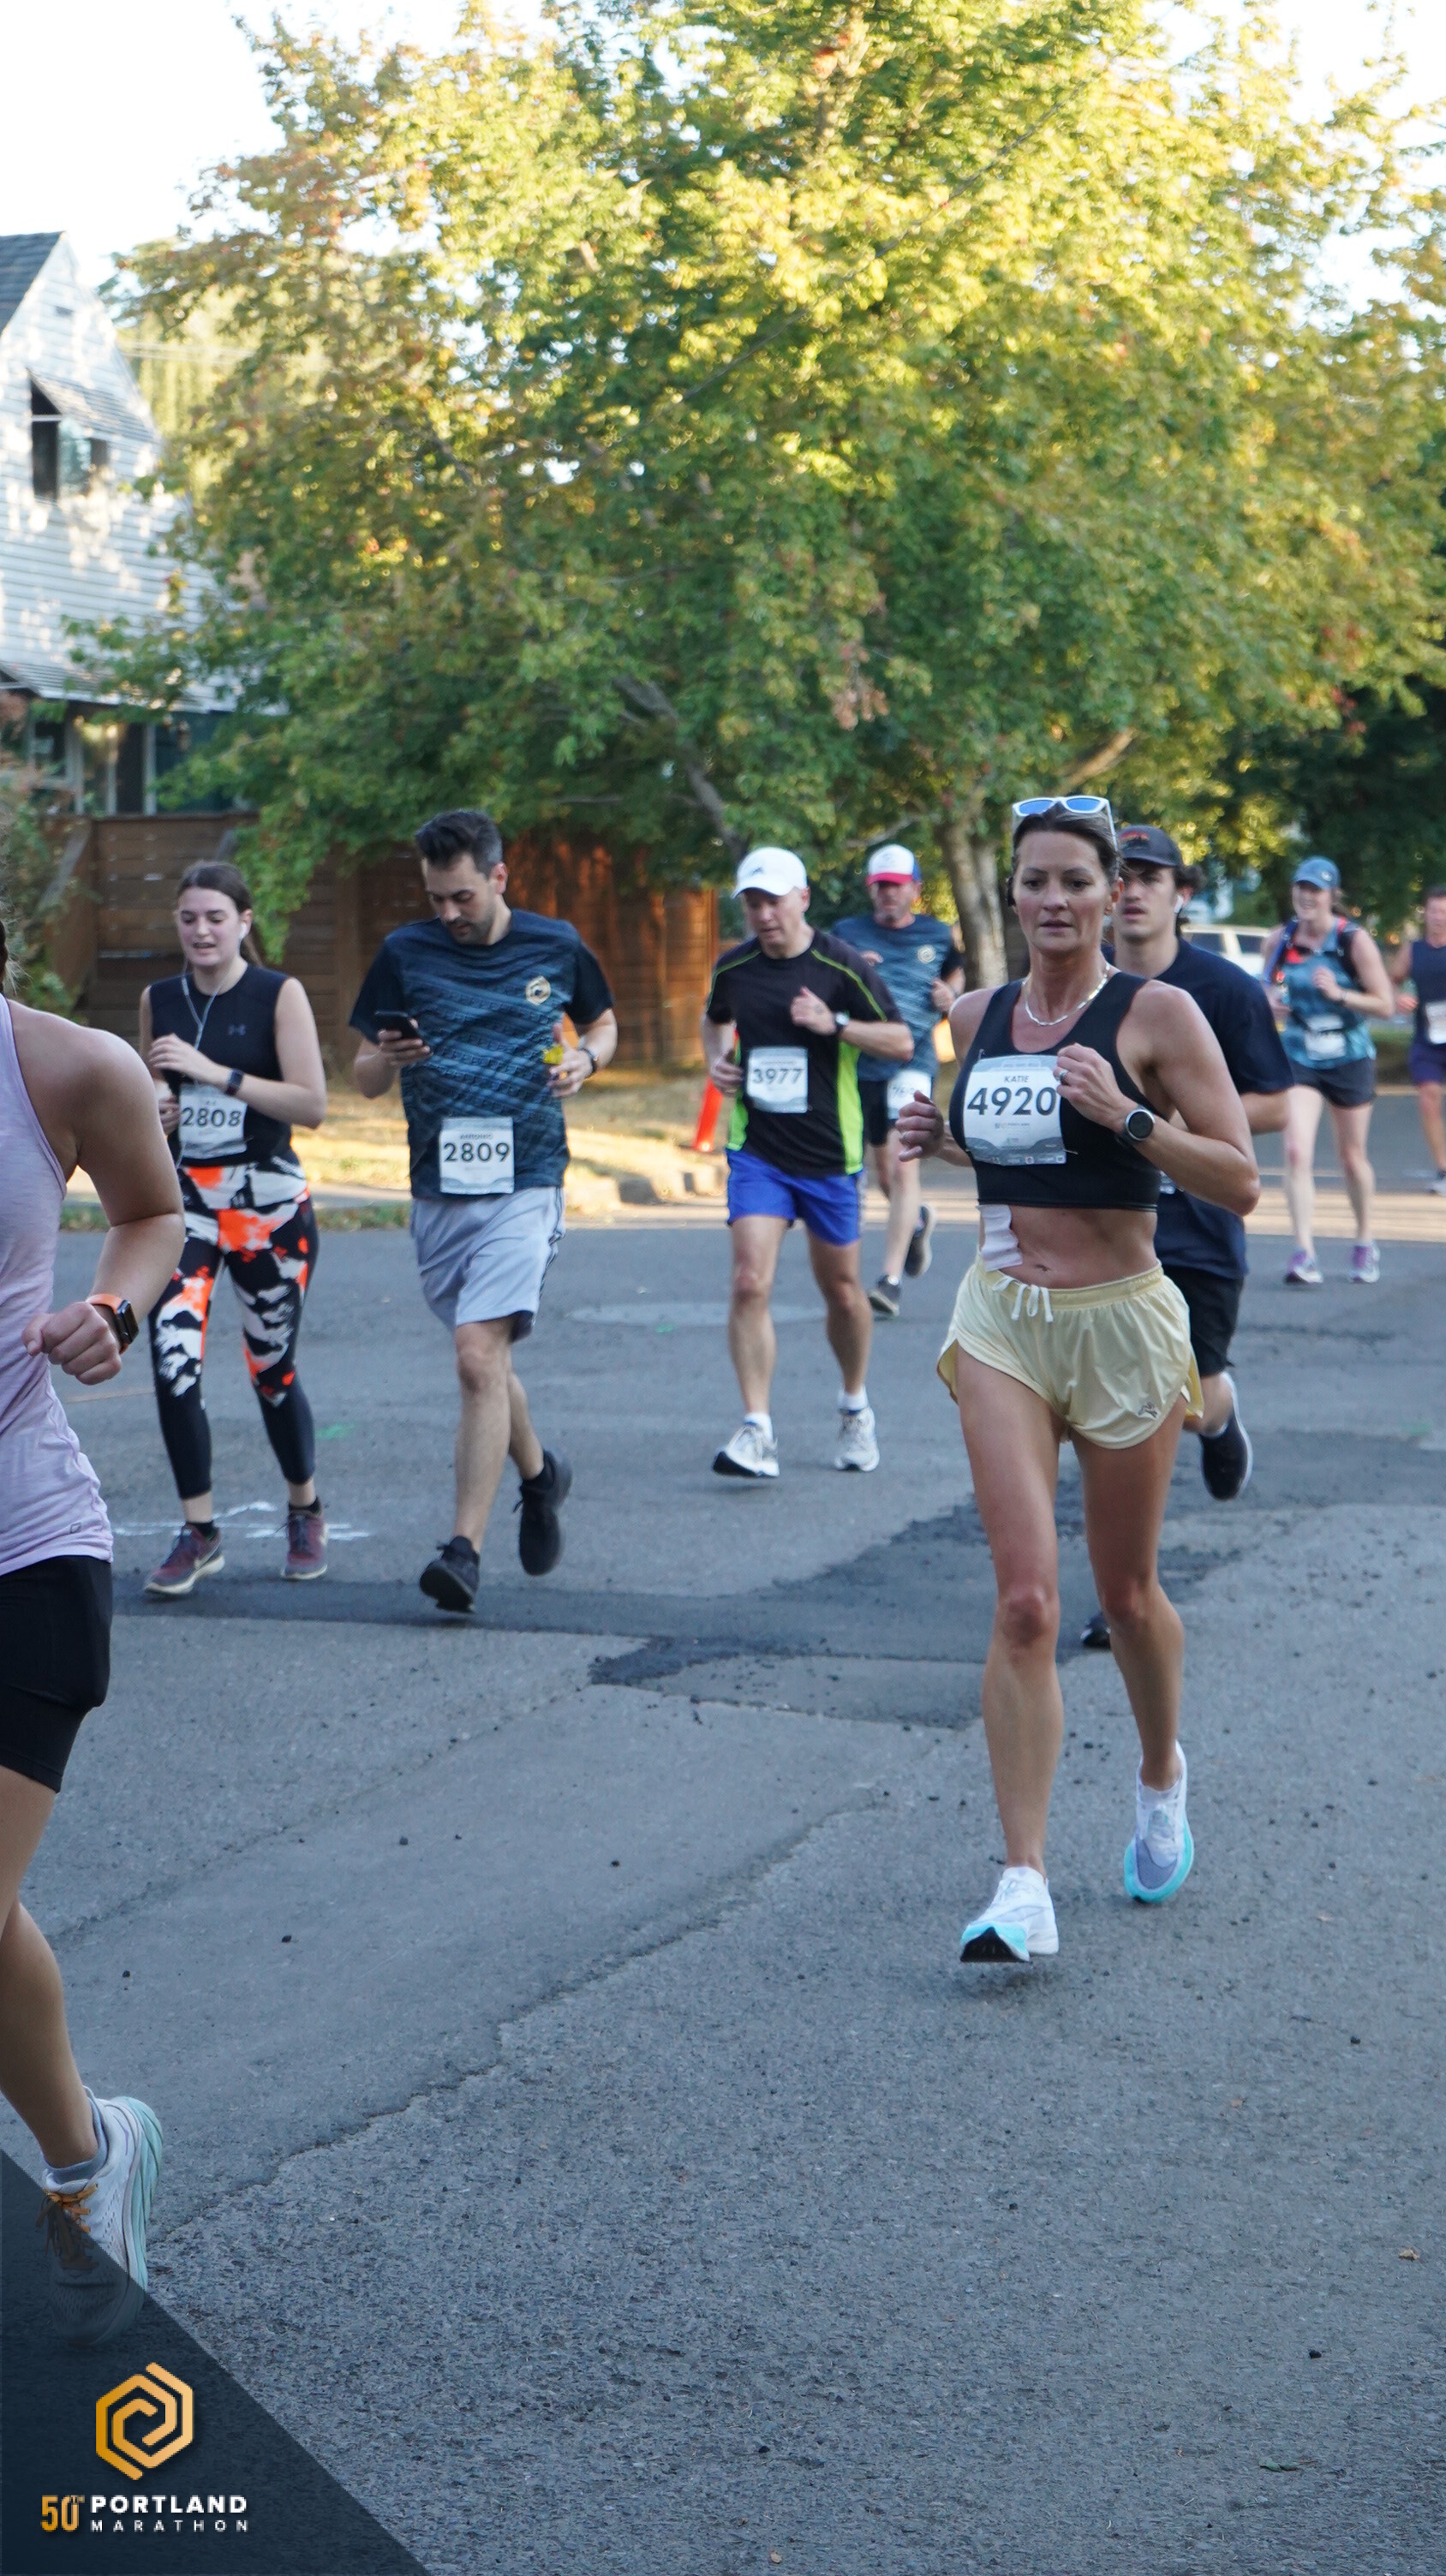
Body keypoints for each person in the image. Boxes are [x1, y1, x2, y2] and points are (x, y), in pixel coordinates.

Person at [897, 796, 1258, 1964]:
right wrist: (937, 1139)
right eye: (1034, 881)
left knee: (1129, 1594)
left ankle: (1158, 1773)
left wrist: (1130, 1116)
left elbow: (1238, 1180)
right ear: (1010, 894)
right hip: (1002, 1318)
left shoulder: (1158, 1013)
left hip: (1122, 1326)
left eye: (1074, 880)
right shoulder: (974, 1015)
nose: (1053, 899)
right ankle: (1022, 1882)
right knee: (1025, 1602)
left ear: (1111, 894)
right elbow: (1012, 1152)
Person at [1, 924, 183, 2339]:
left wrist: (111, 1307)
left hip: (24, 1547)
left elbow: (153, 1212)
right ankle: (88, 2153)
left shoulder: (65, 1066)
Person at [350, 808, 617, 1612]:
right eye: (435, 898)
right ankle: (540, 1475)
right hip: (440, 1189)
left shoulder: (554, 945)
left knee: (475, 1355)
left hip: (527, 1180)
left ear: (499, 877)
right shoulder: (405, 953)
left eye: (461, 896)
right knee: (488, 1361)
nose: (448, 914)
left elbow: (603, 1025)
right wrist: (386, 1057)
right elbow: (363, 1077)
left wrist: (585, 1058)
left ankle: (462, 1551)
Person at [1076, 828, 1292, 1648]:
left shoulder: (1223, 990)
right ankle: (1126, 1591)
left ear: (1181, 893)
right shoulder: (1083, 986)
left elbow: (1275, 1102)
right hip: (1109, 1230)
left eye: (1150, 877)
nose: (1132, 891)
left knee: (1182, 1400)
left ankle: (1221, 1414)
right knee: (1122, 1409)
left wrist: (1167, 1120)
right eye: (1121, 876)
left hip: (1197, 1230)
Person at [140, 862, 331, 1595]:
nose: (201, 931)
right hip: (185, 1202)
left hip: (268, 1205)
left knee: (271, 1370)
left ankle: (304, 1508)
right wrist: (159, 1107)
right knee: (173, 1359)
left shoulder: (278, 993)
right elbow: (154, 1092)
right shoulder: (160, 999)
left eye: (216, 917)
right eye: (189, 917)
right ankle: (200, 1530)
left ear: (244, 922)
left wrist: (214, 1073)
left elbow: (311, 1104)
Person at [702, 845, 912, 1479]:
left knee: (843, 1292)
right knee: (749, 1281)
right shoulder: (734, 968)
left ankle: (854, 1406)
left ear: (802, 899)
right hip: (758, 1151)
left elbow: (901, 1041)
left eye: (773, 901)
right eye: (752, 903)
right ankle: (756, 1428)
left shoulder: (840, 965)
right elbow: (715, 1021)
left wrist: (835, 1023)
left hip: (828, 1155)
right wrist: (718, 1063)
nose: (763, 914)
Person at [834, 844, 965, 1316]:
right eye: (881, 886)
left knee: (903, 1163)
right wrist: (853, 969)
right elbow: (825, 983)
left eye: (897, 886)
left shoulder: (935, 933)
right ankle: (917, 1220)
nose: (889, 894)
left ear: (915, 889)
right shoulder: (846, 934)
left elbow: (955, 972)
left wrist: (951, 995)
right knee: (885, 1173)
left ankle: (888, 1281)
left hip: (914, 1058)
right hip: (862, 1061)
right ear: (871, 890)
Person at [1264, 856, 1393, 1285]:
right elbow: (1266, 986)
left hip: (1349, 1052)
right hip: (1300, 1050)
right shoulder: (1280, 939)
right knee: (1295, 1151)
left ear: (1332, 896)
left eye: (1316, 890)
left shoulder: (1353, 940)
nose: (1307, 897)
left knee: (1352, 1157)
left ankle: (1365, 1240)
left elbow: (1385, 1004)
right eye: (1301, 888)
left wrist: (1341, 994)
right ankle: (1304, 1252)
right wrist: (1270, 1002)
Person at [1389, 886, 1446, 1194]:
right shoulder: (1413, 951)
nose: (1439, 917)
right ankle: (1443, 1169)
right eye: (1434, 911)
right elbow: (1390, 981)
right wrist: (1399, 997)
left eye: (1444, 912)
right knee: (1428, 1098)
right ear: (1426, 914)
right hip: (1428, 1040)